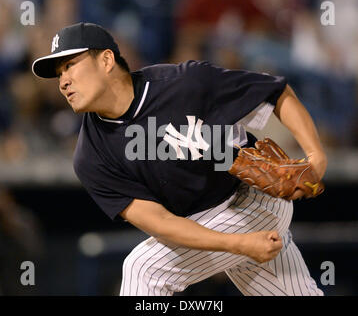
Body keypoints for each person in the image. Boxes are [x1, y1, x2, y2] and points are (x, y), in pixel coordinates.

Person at [32, 22, 327, 296]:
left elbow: (275, 93)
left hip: (254, 198)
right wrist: (239, 245)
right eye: (59, 74)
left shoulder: (183, 84)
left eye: (70, 65)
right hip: (207, 222)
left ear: (107, 61)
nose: (63, 81)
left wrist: (315, 155)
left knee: (143, 269)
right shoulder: (90, 156)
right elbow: (160, 221)